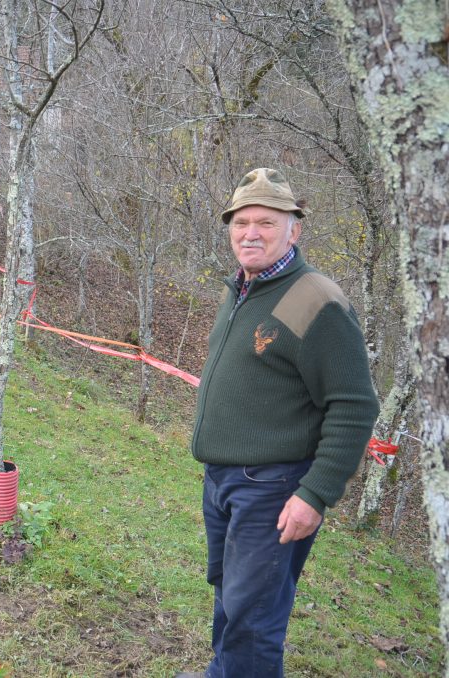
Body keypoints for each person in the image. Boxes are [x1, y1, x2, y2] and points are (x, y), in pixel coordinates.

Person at [180, 168, 379, 678]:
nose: (250, 232)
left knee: (254, 617)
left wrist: (315, 495)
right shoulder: (243, 289)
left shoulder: (316, 300)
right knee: (231, 596)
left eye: (266, 222)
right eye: (241, 221)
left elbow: (355, 406)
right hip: (226, 481)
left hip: (272, 488)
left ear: (295, 229)